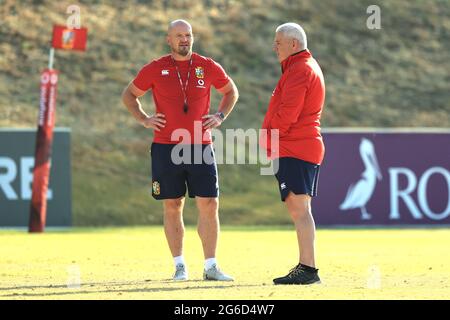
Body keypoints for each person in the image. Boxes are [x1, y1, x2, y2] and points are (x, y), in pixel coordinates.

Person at [121, 19, 238, 281]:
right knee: (173, 204)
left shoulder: (207, 66)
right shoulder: (155, 68)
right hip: (166, 147)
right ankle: (179, 266)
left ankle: (210, 266)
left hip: (200, 146)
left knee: (209, 203)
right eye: (179, 36)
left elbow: (231, 91)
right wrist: (144, 119)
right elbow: (129, 95)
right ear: (169, 40)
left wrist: (219, 115)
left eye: (188, 35)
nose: (184, 39)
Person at [261, 22, 325, 285]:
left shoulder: (299, 70)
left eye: (278, 41)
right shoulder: (299, 67)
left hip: (295, 147)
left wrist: (270, 133)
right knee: (299, 208)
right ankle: (306, 266)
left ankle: (308, 269)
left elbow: (288, 113)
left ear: (294, 44)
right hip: (296, 146)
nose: (274, 46)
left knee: (299, 209)